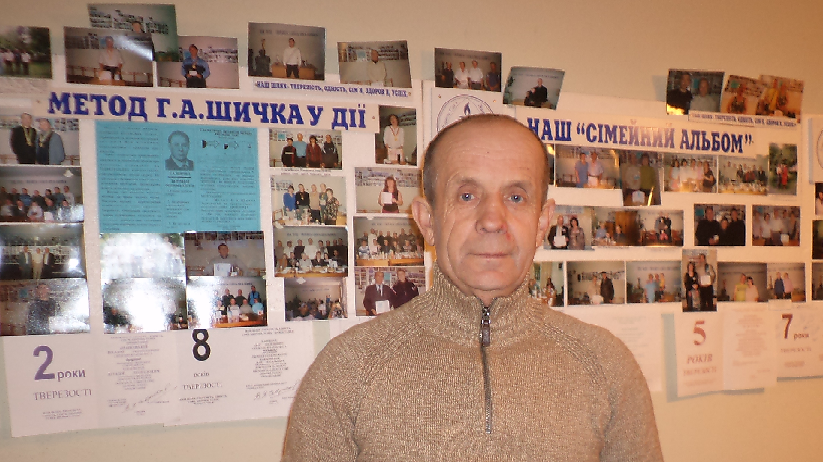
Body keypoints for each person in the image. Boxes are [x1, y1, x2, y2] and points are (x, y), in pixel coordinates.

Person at [283, 114, 663, 461]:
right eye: (467, 195)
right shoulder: (345, 371)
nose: (493, 220)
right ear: (427, 221)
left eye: (516, 197)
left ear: (542, 223)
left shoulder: (607, 367)